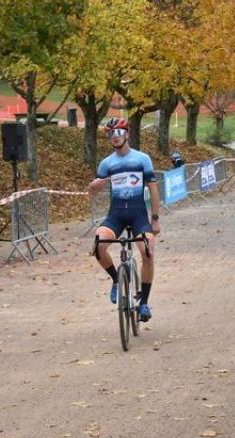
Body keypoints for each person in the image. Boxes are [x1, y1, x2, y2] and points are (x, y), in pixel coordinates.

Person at [88, 117, 160, 322]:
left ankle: (144, 302)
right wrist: (93, 188)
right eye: (111, 134)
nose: (115, 137)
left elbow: (153, 189)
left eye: (118, 133)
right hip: (116, 215)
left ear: (127, 134)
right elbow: (94, 190)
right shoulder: (106, 163)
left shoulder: (142, 159)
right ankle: (115, 281)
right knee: (98, 243)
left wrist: (155, 218)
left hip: (138, 214)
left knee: (147, 250)